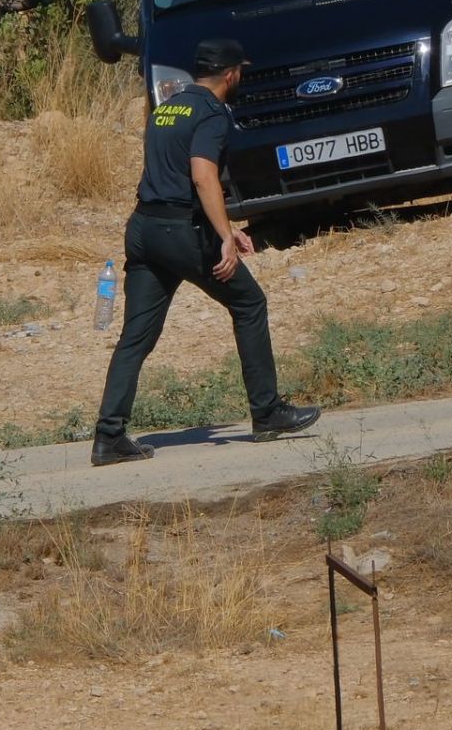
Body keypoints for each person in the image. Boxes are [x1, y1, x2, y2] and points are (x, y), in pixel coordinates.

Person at [90, 39, 320, 465]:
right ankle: (267, 412)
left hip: (142, 229)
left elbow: (172, 174)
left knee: (135, 336)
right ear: (231, 74)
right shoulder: (213, 114)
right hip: (180, 232)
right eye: (241, 73)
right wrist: (224, 238)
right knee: (250, 303)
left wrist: (226, 225)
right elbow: (201, 177)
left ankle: (108, 437)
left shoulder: (167, 108)